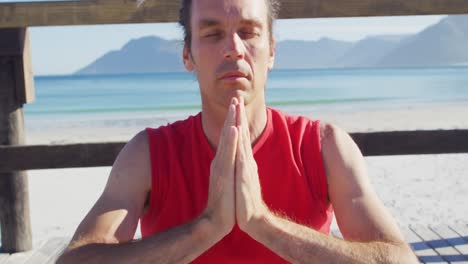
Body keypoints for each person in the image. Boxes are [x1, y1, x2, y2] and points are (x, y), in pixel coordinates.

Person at [57, 0, 418, 263]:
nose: (233, 49)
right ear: (188, 56)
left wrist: (263, 223)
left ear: (272, 51)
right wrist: (206, 227)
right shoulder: (150, 154)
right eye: (212, 33)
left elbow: (399, 260)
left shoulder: (323, 146)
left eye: (248, 32)